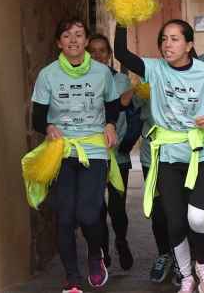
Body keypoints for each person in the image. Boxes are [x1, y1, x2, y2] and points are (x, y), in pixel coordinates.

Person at [115, 19, 204, 293]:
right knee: (175, 221)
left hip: (198, 155)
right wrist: (123, 16)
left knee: (197, 218)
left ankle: (203, 267)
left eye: (174, 39)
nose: (166, 44)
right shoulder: (155, 69)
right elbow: (122, 54)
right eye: (164, 39)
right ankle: (186, 277)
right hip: (167, 159)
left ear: (189, 45)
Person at [31, 18, 120, 293]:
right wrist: (48, 127)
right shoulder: (48, 75)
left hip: (94, 150)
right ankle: (72, 278)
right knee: (66, 217)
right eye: (67, 35)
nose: (73, 40)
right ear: (59, 42)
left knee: (89, 213)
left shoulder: (101, 72)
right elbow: (37, 117)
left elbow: (113, 104)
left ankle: (96, 255)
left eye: (79, 35)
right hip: (62, 151)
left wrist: (109, 124)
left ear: (86, 41)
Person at [87, 34, 134, 270]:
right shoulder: (83, 81)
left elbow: (131, 118)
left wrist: (124, 145)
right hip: (92, 156)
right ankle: (103, 251)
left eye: (102, 50)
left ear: (109, 55)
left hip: (119, 157)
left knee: (117, 207)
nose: (97, 55)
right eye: (92, 50)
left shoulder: (121, 82)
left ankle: (122, 242)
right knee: (97, 208)